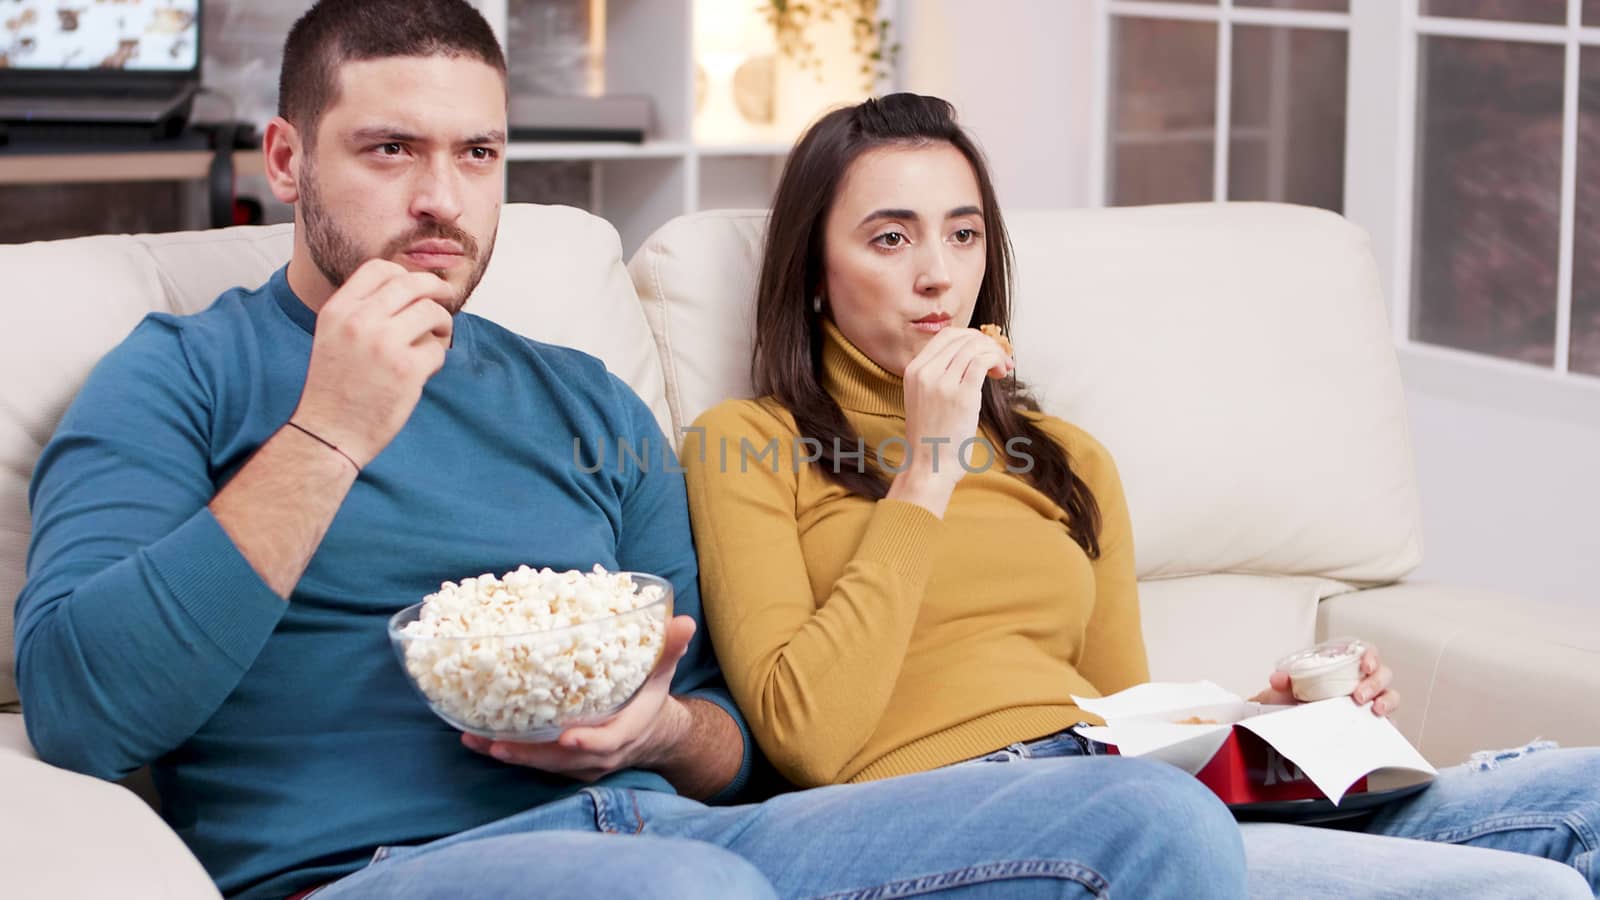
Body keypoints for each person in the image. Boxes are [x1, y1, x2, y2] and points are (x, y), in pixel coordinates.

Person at [12, 4, 1251, 898]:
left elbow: (734, 742)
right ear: (288, 161)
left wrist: (652, 733)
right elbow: (78, 711)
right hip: (383, 867)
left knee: (1146, 820)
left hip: (680, 840)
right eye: (391, 150)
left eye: (479, 154)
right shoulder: (179, 376)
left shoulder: (586, 400)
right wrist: (331, 426)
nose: (442, 197)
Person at [682, 91, 1600, 899]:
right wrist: (928, 467)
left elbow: (1127, 713)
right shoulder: (746, 444)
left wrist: (1269, 724)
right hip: (972, 813)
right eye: (891, 237)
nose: (938, 274)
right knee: (1523, 889)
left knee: (1584, 799)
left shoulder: (1067, 456)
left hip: (1134, 791)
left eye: (962, 234)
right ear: (812, 275)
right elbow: (808, 739)